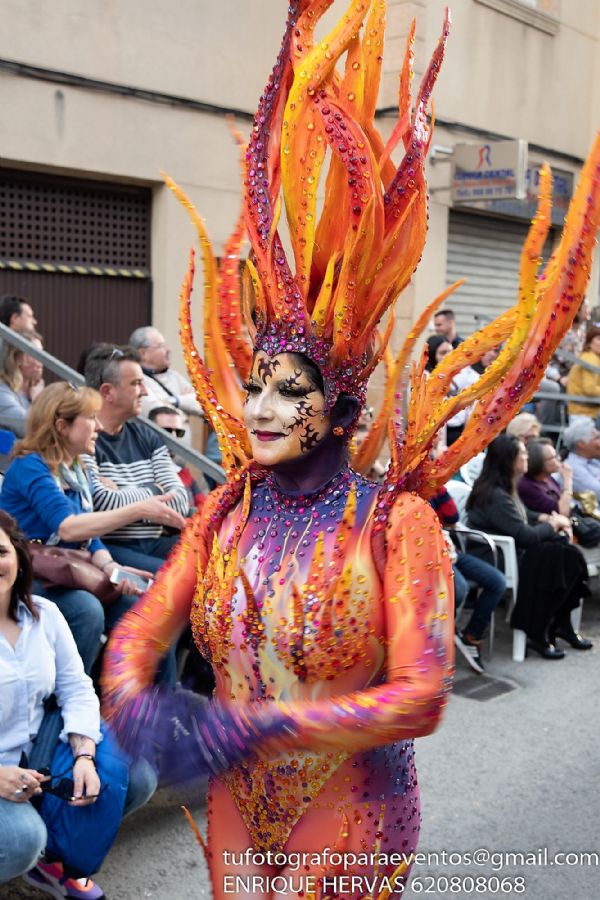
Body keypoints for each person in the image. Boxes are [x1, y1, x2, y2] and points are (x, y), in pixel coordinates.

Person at [100, 4, 600, 898]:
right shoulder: (225, 509)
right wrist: (133, 688)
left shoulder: (394, 522)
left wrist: (252, 730)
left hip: (351, 806)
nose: (257, 407)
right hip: (235, 803)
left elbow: (419, 694)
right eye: (255, 384)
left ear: (336, 413)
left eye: (289, 392)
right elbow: (144, 627)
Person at [0, 511, 156, 898]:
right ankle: (33, 846)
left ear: (19, 559)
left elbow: (76, 688)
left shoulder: (44, 614)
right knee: (21, 839)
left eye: (0, 551)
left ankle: (52, 859)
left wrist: (83, 754)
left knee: (135, 776)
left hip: (41, 753)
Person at [0, 382, 184, 673]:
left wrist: (114, 570)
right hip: (27, 575)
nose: (99, 426)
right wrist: (138, 508)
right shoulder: (31, 467)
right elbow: (69, 528)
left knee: (150, 608)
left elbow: (89, 539)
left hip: (67, 571)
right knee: (86, 610)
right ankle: (66, 702)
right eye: (91, 418)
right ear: (62, 426)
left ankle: (151, 709)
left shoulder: (74, 469)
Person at [466, 435, 591, 658]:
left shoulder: (505, 486)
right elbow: (524, 535)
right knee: (560, 556)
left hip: (515, 549)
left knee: (566, 553)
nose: (527, 456)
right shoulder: (495, 494)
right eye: (522, 453)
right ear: (509, 459)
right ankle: (538, 631)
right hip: (499, 556)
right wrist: (553, 524)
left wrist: (542, 517)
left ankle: (560, 624)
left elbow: (520, 516)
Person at [82, 344, 188, 576]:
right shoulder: (84, 437)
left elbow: (180, 499)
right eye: (136, 384)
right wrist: (152, 490)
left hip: (156, 543)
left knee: (220, 562)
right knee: (176, 579)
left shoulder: (148, 437)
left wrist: (123, 492)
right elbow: (100, 501)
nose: (145, 392)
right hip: (112, 548)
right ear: (108, 392)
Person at [430, 486, 506, 674]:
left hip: (452, 551)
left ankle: (472, 635)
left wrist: (438, 488)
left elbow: (452, 518)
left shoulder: (434, 488)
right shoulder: (406, 488)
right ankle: (442, 639)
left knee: (497, 581)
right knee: (460, 587)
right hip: (431, 556)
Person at [129, 325, 203, 424]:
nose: (168, 350)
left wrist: (175, 401)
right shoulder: (138, 380)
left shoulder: (174, 376)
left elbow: (203, 405)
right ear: (143, 353)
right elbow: (160, 415)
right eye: (161, 346)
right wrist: (187, 407)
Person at [148, 406, 207, 512]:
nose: (173, 437)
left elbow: (204, 507)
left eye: (178, 432)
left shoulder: (183, 473)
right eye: (167, 431)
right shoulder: (141, 470)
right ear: (149, 431)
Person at [425, 336, 479, 445]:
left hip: (456, 433)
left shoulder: (456, 376)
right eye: (443, 352)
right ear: (432, 355)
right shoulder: (425, 377)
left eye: (450, 352)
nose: (448, 356)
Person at [0, 329, 45, 437]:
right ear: (17, 358)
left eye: (42, 354)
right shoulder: (2, 391)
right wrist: (38, 401)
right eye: (35, 354)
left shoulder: (35, 389)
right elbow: (27, 429)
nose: (42, 361)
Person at [517, 438, 574, 516]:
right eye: (553, 457)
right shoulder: (526, 486)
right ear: (539, 462)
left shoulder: (548, 478)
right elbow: (563, 511)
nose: (559, 458)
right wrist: (568, 481)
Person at [566, 324, 600, 420]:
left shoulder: (592, 356)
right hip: (583, 414)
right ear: (589, 342)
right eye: (599, 339)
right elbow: (590, 389)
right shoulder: (590, 359)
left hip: (585, 411)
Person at [562, 417, 600, 502]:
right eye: (597, 438)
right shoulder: (572, 467)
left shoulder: (593, 460)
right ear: (581, 444)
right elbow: (598, 492)